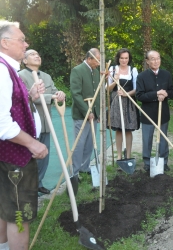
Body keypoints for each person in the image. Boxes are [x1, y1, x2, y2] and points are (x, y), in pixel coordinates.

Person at [0, 20, 58, 250]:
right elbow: (3, 124)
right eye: (21, 39)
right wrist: (33, 144)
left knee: (4, 210)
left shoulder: (9, 71)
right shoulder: (2, 71)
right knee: (19, 215)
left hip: (7, 157)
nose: (25, 44)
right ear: (4, 42)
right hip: (15, 158)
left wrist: (31, 95)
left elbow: (10, 105)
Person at [19, 50, 66, 194]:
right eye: (33, 55)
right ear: (25, 60)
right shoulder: (20, 76)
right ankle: (26, 186)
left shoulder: (46, 76)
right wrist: (51, 96)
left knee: (44, 154)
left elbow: (55, 92)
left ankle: (39, 183)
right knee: (30, 155)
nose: (37, 56)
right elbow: (32, 97)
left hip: (46, 123)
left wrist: (60, 94)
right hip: (30, 123)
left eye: (38, 54)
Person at [136, 50, 173, 172]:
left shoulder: (166, 74)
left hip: (163, 113)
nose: (156, 61)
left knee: (163, 139)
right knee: (147, 139)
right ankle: (147, 163)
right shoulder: (142, 76)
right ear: (147, 61)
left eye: (158, 58)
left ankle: (163, 162)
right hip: (148, 113)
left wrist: (166, 94)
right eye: (152, 59)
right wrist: (156, 94)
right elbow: (139, 95)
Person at [70, 48, 101, 179]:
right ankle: (75, 172)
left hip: (93, 114)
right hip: (82, 114)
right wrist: (86, 112)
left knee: (89, 143)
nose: (99, 63)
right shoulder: (77, 70)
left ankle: (84, 166)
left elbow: (97, 92)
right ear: (89, 59)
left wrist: (97, 113)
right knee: (80, 143)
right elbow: (75, 94)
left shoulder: (96, 71)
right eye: (97, 60)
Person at [107, 48, 139, 162]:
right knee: (119, 129)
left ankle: (128, 155)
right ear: (118, 58)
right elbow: (107, 89)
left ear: (129, 59)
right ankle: (119, 156)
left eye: (126, 58)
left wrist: (126, 94)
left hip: (129, 101)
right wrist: (115, 80)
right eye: (122, 58)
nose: (124, 60)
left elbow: (136, 89)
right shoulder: (112, 69)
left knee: (129, 129)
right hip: (116, 100)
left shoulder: (133, 70)